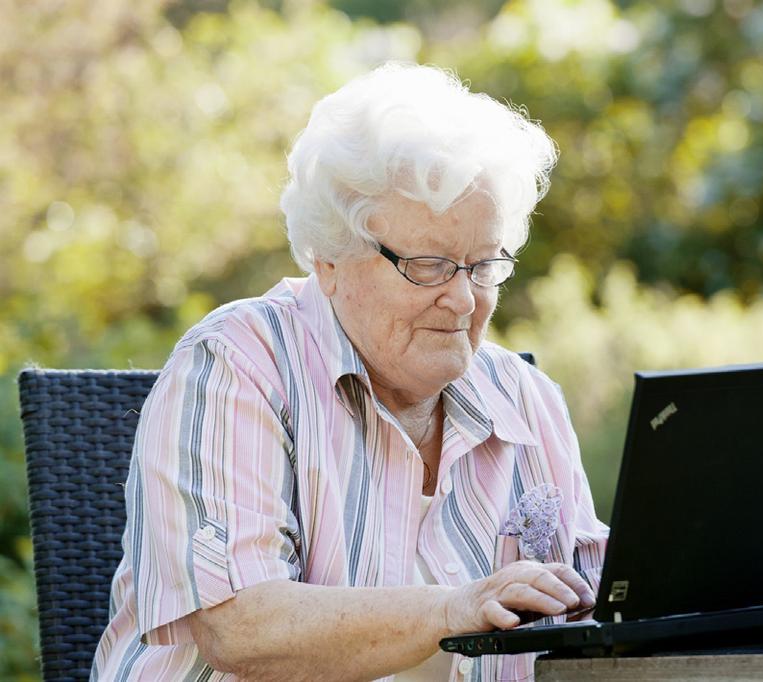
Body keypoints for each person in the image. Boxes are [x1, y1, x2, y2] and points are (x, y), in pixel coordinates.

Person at [91, 62, 608, 681]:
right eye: (429, 265)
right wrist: (454, 609)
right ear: (330, 259)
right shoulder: (235, 366)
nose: (465, 300)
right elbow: (241, 627)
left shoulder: (525, 398)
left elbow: (606, 614)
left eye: (482, 264)